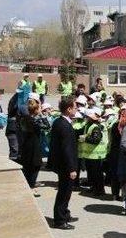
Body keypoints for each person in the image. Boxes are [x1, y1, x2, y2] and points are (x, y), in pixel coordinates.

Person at [48, 96, 79, 230]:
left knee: (66, 192)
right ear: (69, 109)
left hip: (62, 164)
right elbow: (66, 149)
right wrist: (72, 168)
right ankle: (60, 220)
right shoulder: (64, 125)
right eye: (75, 107)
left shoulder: (59, 122)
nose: (77, 109)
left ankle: (64, 213)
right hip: (66, 166)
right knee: (64, 193)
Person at [19, 96, 50, 197]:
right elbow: (47, 126)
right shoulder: (34, 121)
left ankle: (27, 184)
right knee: (35, 166)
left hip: (26, 146)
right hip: (33, 146)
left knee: (27, 167)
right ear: (36, 110)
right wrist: (43, 115)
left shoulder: (24, 119)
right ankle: (31, 186)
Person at [80, 108, 108, 197]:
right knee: (92, 174)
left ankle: (99, 190)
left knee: (97, 175)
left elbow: (96, 140)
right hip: (90, 155)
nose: (86, 118)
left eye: (88, 117)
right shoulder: (89, 125)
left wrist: (85, 138)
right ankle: (94, 187)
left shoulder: (96, 126)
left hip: (96, 155)